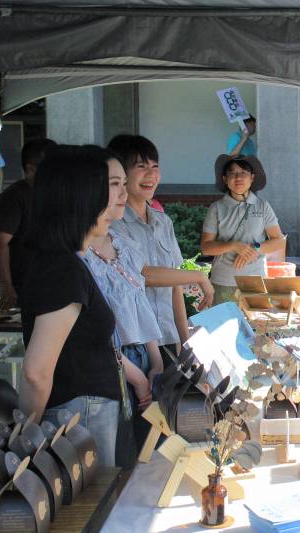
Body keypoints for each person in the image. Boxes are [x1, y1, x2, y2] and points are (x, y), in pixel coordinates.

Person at [19, 145, 122, 467]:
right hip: (79, 416)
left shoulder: (64, 262)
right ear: (77, 200)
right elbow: (37, 372)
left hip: (84, 412)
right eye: (102, 193)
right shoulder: (61, 268)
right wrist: (25, 439)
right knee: (92, 511)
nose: (111, 204)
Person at [84, 157, 165, 466]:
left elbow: (139, 304)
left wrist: (155, 361)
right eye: (113, 184)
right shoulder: (80, 257)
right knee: (117, 461)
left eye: (121, 183)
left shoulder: (124, 243)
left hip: (142, 359)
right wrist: (136, 379)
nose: (122, 193)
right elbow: (97, 332)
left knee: (146, 459)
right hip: (112, 369)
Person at [107, 135, 214, 358]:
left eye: (155, 166)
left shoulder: (163, 222)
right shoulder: (113, 224)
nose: (151, 174)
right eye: (141, 166)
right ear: (121, 174)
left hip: (168, 337)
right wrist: (199, 276)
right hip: (134, 345)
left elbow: (174, 284)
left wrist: (185, 343)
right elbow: (143, 275)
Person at [201, 154, 285, 304]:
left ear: (252, 178)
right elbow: (206, 248)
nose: (238, 177)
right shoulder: (217, 208)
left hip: (255, 281)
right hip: (223, 281)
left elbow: (279, 241)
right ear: (225, 179)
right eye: (232, 173)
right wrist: (234, 245)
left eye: (243, 173)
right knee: (222, 327)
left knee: (255, 327)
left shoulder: (262, 206)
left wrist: (255, 249)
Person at [0, 138, 57, 311]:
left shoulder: (51, 196)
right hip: (24, 288)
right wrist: (6, 286)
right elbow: (0, 243)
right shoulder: (15, 197)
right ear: (30, 169)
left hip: (51, 283)